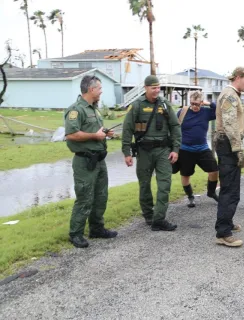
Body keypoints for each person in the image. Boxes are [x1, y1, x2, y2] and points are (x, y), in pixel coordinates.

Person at [122, 75, 181, 231]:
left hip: (163, 151)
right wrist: (127, 152)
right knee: (144, 185)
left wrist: (175, 149)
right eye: (153, 88)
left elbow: (175, 127)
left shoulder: (165, 105)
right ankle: (149, 215)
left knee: (164, 185)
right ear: (146, 88)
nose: (156, 90)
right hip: (144, 152)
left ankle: (159, 219)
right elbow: (127, 129)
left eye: (158, 87)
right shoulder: (137, 106)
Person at [64, 75, 117, 248]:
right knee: (85, 197)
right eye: (100, 88)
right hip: (85, 161)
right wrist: (95, 135)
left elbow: (95, 131)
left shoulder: (94, 109)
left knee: (101, 196)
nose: (101, 91)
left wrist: (104, 133)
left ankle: (97, 228)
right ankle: (76, 233)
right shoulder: (76, 110)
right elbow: (71, 134)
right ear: (91, 89)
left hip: (99, 160)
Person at [214, 67, 244, 247]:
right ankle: (223, 233)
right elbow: (229, 124)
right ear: (238, 77)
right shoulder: (229, 95)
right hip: (228, 144)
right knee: (230, 190)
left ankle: (226, 223)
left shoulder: (232, 94)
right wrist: (238, 150)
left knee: (232, 188)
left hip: (227, 143)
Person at [176, 91, 219, 208]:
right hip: (185, 149)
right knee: (185, 175)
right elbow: (174, 127)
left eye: (197, 104)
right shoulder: (182, 112)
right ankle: (190, 197)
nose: (195, 106)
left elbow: (219, 110)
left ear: (202, 102)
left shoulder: (206, 112)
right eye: (192, 103)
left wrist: (209, 103)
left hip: (202, 148)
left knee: (214, 171)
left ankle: (211, 192)